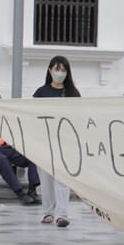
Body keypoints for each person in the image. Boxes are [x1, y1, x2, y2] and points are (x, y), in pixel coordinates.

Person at [33, 56, 81, 227]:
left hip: (65, 142)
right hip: (44, 142)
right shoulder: (40, 93)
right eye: (57, 69)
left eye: (63, 70)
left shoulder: (73, 93)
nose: (60, 73)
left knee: (62, 180)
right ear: (50, 70)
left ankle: (62, 214)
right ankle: (48, 212)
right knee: (45, 180)